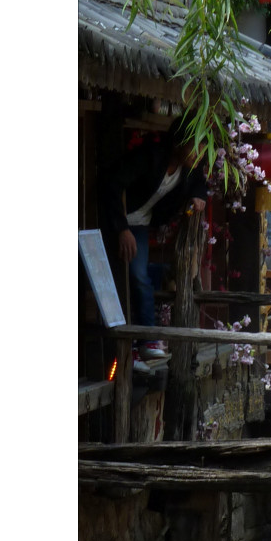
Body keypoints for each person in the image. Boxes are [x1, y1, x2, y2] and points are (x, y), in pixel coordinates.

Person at [101, 114, 209, 370]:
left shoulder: (188, 169)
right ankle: (145, 340)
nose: (199, 152)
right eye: (195, 145)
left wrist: (197, 196)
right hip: (116, 221)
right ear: (179, 142)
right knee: (133, 276)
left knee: (137, 274)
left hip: (139, 224)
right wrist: (121, 229)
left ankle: (145, 341)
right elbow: (113, 184)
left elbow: (199, 184)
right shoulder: (150, 157)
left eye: (203, 147)